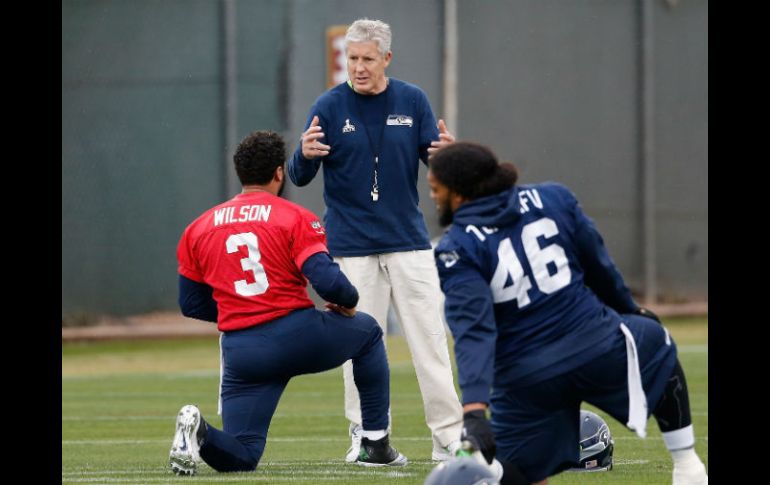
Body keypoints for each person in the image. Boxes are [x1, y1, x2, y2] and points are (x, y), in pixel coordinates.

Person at [426, 142, 709, 485]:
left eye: (435, 189)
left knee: (513, 470)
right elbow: (598, 264)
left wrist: (473, 409)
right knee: (653, 338)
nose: (433, 197)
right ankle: (688, 466)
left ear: (458, 194)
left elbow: (475, 331)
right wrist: (629, 310)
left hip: (526, 377)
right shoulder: (554, 198)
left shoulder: (456, 246)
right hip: (595, 346)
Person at [169, 130, 407, 476]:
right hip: (295, 334)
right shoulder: (293, 216)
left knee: (243, 455)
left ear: (240, 172)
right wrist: (350, 304)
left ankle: (200, 431)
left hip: (242, 351)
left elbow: (191, 303)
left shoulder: (198, 227)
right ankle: (374, 443)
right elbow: (330, 283)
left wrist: (241, 309)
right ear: (280, 172)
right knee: (368, 332)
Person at [288, 18, 464, 462]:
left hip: (409, 243)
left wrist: (449, 156)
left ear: (386, 58)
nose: (359, 67)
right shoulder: (327, 106)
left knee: (430, 342)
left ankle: (448, 439)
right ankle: (366, 436)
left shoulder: (413, 99)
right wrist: (303, 155)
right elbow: (298, 174)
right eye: (352, 58)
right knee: (358, 349)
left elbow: (438, 165)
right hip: (349, 249)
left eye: (368, 58)